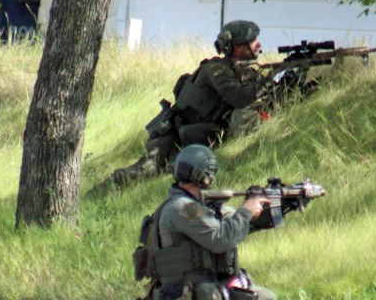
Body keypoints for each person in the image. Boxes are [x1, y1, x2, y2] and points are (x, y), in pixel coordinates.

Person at [136, 144, 279, 300]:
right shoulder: (184, 209)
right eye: (210, 173)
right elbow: (221, 238)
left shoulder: (194, 208)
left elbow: (232, 227)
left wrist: (269, 208)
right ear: (205, 176)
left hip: (209, 294)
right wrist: (245, 211)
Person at [97, 20, 270, 191]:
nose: (258, 44)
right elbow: (240, 98)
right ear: (238, 47)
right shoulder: (217, 69)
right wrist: (268, 81)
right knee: (146, 170)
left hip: (197, 137)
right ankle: (99, 192)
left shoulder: (241, 71)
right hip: (173, 138)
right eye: (253, 40)